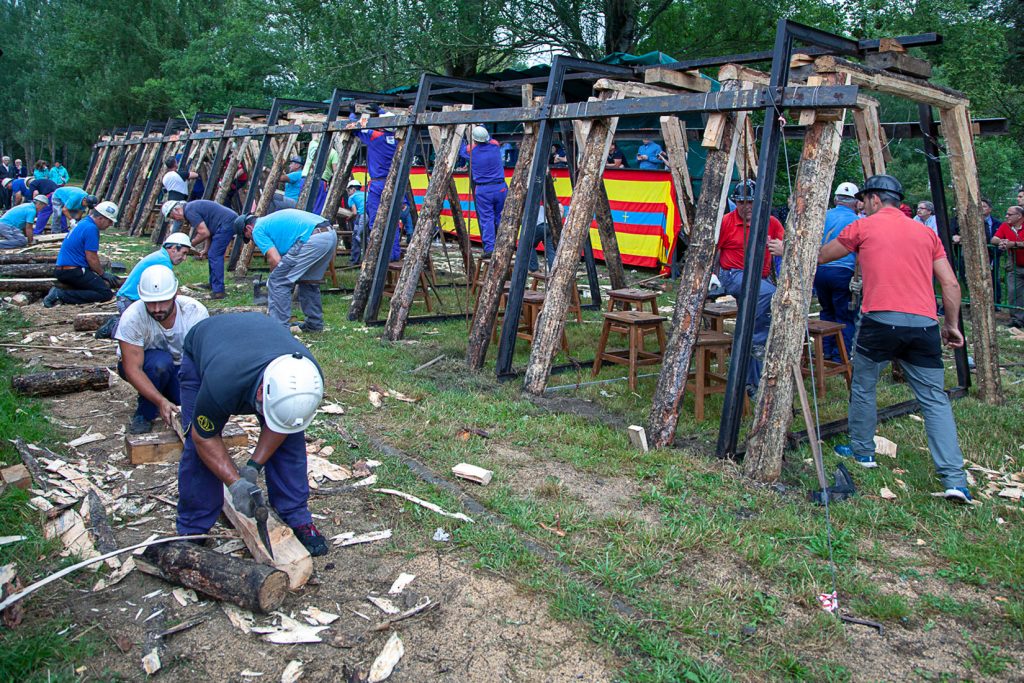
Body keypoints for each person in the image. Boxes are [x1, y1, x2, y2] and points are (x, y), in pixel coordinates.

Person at [818, 174, 971, 502]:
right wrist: (952, 325)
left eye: (864, 201)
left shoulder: (864, 226)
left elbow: (822, 256)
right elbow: (951, 284)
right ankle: (955, 480)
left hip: (880, 320)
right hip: (924, 324)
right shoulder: (925, 232)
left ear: (874, 199)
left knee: (864, 385)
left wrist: (786, 249)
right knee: (934, 399)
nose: (862, 205)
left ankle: (862, 452)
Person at [176, 312, 329, 555]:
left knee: (290, 438)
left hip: (259, 341)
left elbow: (283, 424)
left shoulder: (306, 379)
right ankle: (193, 526)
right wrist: (235, 483)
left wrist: (252, 467)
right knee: (197, 450)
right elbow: (204, 437)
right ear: (260, 395)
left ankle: (295, 514)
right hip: (206, 347)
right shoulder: (222, 383)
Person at [115, 265, 209, 434]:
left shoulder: (194, 313)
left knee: (186, 402)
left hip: (181, 367)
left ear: (175, 294)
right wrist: (160, 402)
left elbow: (202, 360)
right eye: (151, 303)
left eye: (163, 301)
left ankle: (164, 390)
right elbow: (132, 369)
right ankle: (145, 413)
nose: (157, 309)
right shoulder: (132, 318)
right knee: (160, 364)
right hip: (149, 365)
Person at [716, 179, 785, 393]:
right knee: (768, 294)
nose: (746, 207)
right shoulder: (727, 222)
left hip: (759, 277)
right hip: (733, 274)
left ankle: (751, 382)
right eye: (741, 202)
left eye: (751, 202)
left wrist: (783, 248)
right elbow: (712, 250)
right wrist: (711, 276)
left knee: (754, 317)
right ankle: (756, 341)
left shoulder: (770, 222)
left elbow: (787, 244)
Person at [235, 209, 337, 332]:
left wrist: (273, 280)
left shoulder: (257, 230)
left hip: (311, 238)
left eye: (248, 237)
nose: (252, 240)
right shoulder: (269, 222)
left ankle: (279, 329)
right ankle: (314, 325)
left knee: (278, 282)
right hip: (329, 234)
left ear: (248, 228)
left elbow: (275, 259)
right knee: (308, 282)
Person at [346, 107, 401, 261]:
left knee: (376, 220)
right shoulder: (398, 139)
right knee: (392, 220)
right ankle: (393, 254)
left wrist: (353, 113)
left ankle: (376, 254)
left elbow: (354, 127)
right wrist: (380, 110)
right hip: (393, 182)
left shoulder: (376, 136)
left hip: (378, 184)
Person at [813, 182, 860, 361]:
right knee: (845, 316)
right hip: (843, 272)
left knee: (827, 312)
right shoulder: (857, 222)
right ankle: (841, 356)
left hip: (821, 271)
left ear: (835, 199)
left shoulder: (823, 217)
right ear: (856, 203)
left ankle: (825, 351)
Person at [43, 202, 120, 307]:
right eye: (109, 221)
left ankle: (62, 293)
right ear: (101, 218)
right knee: (105, 293)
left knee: (95, 285)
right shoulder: (91, 228)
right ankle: (60, 295)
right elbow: (91, 257)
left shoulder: (83, 223)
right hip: (73, 271)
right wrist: (102, 274)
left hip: (64, 269)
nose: (110, 224)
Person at [163, 199, 239, 300]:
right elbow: (209, 230)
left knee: (215, 255)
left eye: (173, 217)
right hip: (225, 222)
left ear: (177, 209)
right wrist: (206, 249)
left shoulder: (189, 211)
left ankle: (218, 291)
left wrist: (188, 244)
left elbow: (204, 232)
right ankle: (213, 284)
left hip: (227, 222)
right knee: (212, 254)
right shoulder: (190, 208)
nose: (176, 219)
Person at [115, 232, 194, 313]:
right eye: (184, 253)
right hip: (129, 300)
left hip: (129, 299)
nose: (184, 258)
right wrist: (185, 306)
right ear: (174, 248)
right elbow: (173, 289)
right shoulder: (163, 261)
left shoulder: (161, 256)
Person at [459, 125, 506, 257]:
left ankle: (490, 248)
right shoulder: (495, 145)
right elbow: (489, 138)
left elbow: (460, 149)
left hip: (484, 189)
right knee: (500, 217)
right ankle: (503, 244)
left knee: (487, 219)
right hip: (500, 187)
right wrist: (481, 125)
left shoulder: (471, 151)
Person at [992, 204, 1024, 327]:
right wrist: (1003, 241)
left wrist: (1014, 244)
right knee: (1014, 293)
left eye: (1009, 214)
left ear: (1019, 215)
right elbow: (993, 239)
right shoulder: (1006, 226)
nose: (1006, 216)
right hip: (1015, 266)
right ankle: (1017, 320)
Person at [302, 139, 339, 214]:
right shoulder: (334, 152)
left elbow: (314, 135)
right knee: (317, 206)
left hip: (305, 178)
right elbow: (336, 170)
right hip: (321, 180)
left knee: (302, 203)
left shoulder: (312, 144)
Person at [338, 179, 367, 264]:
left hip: (361, 216)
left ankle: (354, 261)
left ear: (353, 189)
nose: (348, 192)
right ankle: (366, 259)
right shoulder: (365, 194)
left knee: (356, 237)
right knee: (366, 238)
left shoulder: (351, 197)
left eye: (348, 190)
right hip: (369, 215)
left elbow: (354, 212)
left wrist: (348, 218)